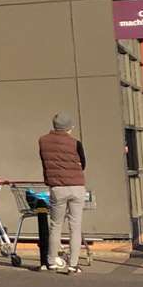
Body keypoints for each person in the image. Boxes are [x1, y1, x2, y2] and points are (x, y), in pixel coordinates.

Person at [39, 113, 87, 273]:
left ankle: (51, 261)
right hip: (77, 187)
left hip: (57, 188)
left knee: (55, 225)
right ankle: (73, 265)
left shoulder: (43, 141)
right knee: (75, 226)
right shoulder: (75, 143)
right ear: (69, 127)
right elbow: (83, 164)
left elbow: (45, 162)